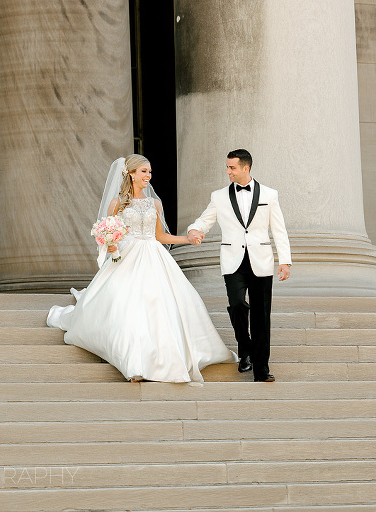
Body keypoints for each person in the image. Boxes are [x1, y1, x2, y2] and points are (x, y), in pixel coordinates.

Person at [47, 154, 236, 383]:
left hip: (153, 256)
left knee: (162, 303)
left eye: (150, 172)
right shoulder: (117, 203)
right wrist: (112, 244)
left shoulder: (154, 203)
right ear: (131, 174)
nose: (149, 176)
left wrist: (188, 239)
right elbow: (108, 234)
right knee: (126, 305)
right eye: (144, 171)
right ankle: (133, 362)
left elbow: (159, 236)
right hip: (126, 256)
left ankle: (160, 356)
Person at [187, 149, 292, 382]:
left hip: (261, 261)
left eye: (232, 167)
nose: (228, 171)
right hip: (233, 261)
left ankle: (262, 371)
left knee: (262, 316)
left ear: (246, 168)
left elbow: (279, 229)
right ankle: (245, 347)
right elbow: (205, 220)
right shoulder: (219, 196)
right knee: (236, 305)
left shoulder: (270, 194)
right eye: (227, 167)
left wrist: (284, 260)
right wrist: (194, 230)